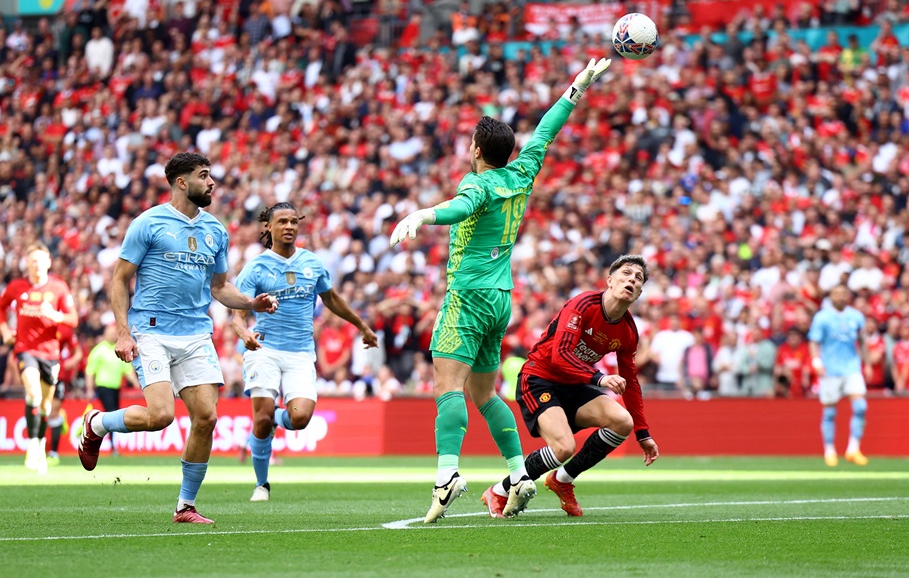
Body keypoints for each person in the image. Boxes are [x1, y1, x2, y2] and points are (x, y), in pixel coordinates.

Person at [389, 58, 613, 523]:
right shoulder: (522, 172)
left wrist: (423, 215)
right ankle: (518, 474)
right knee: (486, 395)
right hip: (501, 299)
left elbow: (461, 206)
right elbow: (546, 132)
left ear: (475, 149)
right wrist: (575, 88)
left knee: (447, 387)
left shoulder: (478, 183)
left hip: (468, 295)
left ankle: (447, 476)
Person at [77, 152, 278, 524]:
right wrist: (123, 331)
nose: (211, 182)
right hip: (150, 329)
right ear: (182, 182)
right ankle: (97, 424)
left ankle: (185, 506)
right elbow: (119, 279)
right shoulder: (148, 223)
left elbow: (219, 287)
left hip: (195, 333)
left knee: (207, 417)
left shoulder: (216, 230)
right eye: (204, 175)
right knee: (161, 416)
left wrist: (251, 303)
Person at [482, 255, 659, 518]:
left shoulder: (628, 332)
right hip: (539, 377)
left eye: (638, 278)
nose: (631, 279)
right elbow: (560, 355)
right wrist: (599, 378)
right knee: (564, 447)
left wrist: (643, 433)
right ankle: (499, 490)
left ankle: (562, 480)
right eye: (626, 273)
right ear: (610, 280)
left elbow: (631, 382)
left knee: (623, 422)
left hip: (575, 384)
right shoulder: (583, 304)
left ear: (639, 293)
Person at [231, 202, 378, 502]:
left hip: (300, 353)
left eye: (293, 222)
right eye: (282, 222)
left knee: (300, 418)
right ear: (269, 227)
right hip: (264, 349)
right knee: (261, 419)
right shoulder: (256, 267)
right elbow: (237, 314)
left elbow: (331, 298)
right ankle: (262, 485)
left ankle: (275, 419)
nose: (289, 227)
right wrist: (244, 334)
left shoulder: (312, 262)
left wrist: (362, 325)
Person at [0, 243, 78, 473]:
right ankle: (33, 444)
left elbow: (73, 319)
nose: (36, 265)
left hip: (50, 354)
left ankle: (40, 443)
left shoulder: (58, 287)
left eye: (40, 260)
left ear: (48, 262)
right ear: (26, 263)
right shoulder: (16, 286)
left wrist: (56, 315)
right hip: (25, 349)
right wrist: (4, 331)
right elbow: (1, 307)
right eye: (32, 261)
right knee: (33, 393)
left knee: (45, 405)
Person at [807, 285, 869, 467]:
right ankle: (829, 451)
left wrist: (867, 364)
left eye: (844, 294)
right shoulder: (822, 317)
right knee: (830, 412)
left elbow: (862, 341)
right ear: (831, 296)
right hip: (830, 369)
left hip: (852, 368)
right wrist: (816, 362)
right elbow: (814, 342)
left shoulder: (856, 316)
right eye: (837, 294)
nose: (841, 297)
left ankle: (853, 449)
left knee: (860, 407)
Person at [84, 322, 139, 455]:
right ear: (105, 335)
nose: (112, 335)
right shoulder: (99, 350)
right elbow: (90, 370)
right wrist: (90, 388)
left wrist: (136, 383)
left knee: (113, 413)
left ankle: (111, 444)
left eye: (114, 333)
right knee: (111, 412)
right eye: (110, 333)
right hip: (103, 386)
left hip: (115, 388)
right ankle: (112, 446)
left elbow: (127, 370)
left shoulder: (119, 349)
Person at [47, 324, 84, 465]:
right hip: (40, 370)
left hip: (58, 373)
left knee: (53, 412)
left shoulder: (65, 330)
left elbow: (78, 352)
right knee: (41, 410)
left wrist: (71, 362)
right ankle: (37, 448)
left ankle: (53, 453)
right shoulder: (38, 324)